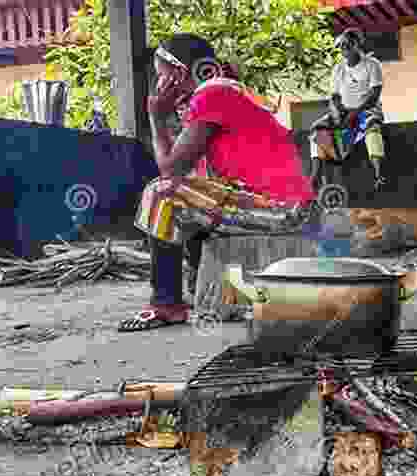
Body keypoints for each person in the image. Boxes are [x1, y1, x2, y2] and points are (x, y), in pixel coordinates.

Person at [119, 34, 316, 332]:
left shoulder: (212, 95)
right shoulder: (228, 94)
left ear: (179, 73)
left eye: (162, 76)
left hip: (278, 210)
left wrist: (156, 118)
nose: (159, 85)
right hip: (283, 205)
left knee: (162, 193)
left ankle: (166, 304)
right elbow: (195, 177)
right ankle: (197, 281)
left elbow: (170, 170)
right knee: (193, 195)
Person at [309, 28, 388, 191]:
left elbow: (374, 95)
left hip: (368, 110)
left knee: (372, 128)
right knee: (318, 128)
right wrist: (337, 113)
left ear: (357, 44)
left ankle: (378, 174)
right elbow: (335, 97)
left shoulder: (372, 65)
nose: (344, 49)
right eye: (342, 46)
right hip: (344, 111)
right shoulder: (338, 69)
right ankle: (315, 174)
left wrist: (354, 113)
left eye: (348, 45)